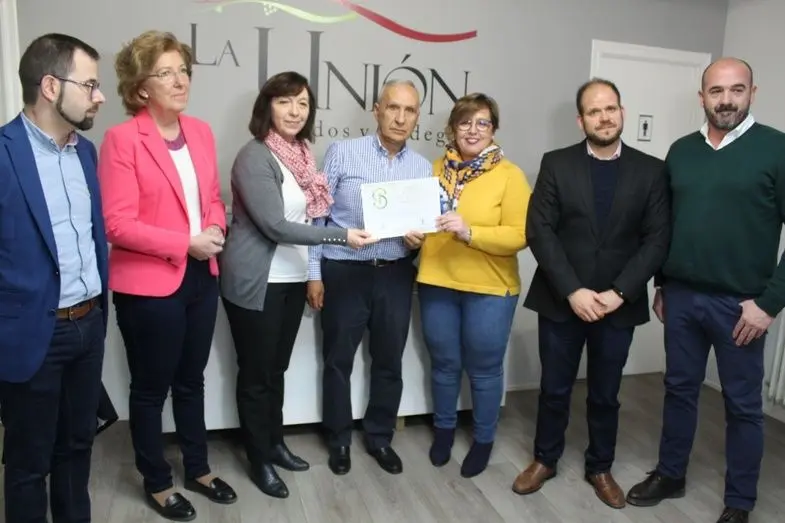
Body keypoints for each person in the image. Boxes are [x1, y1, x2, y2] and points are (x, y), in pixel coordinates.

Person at [626, 58, 785, 523]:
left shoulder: (776, 149)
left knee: (742, 407)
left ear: (753, 93)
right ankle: (670, 474)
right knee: (678, 390)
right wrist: (661, 282)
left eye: (737, 90)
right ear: (702, 97)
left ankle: (740, 500)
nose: (726, 100)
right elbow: (665, 226)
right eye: (716, 91)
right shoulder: (681, 152)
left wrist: (769, 304)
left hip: (743, 307)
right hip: (681, 298)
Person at [97, 30, 237, 521]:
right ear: (141, 88)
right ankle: (156, 481)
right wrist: (185, 242)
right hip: (149, 285)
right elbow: (117, 224)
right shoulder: (121, 140)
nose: (180, 81)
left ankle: (198, 468)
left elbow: (212, 198)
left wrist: (215, 226)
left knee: (191, 381)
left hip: (201, 275)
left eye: (183, 71)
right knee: (150, 388)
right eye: (165, 73)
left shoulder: (200, 132)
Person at [513, 78, 670, 509]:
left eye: (611, 108)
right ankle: (545, 459)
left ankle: (600, 466)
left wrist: (620, 292)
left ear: (622, 112)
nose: (604, 117)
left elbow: (657, 239)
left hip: (618, 305)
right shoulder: (556, 163)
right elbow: (539, 231)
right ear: (581, 120)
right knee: (554, 389)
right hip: (562, 300)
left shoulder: (651, 170)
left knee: (605, 393)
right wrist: (573, 291)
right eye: (595, 111)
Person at [218, 71, 376, 498]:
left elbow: (305, 216)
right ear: (267, 106)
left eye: (302, 103)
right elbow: (275, 225)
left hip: (290, 278)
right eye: (285, 101)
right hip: (258, 281)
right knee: (256, 376)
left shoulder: (303, 155)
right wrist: (341, 236)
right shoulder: (254, 156)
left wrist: (311, 273)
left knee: (276, 370)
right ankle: (258, 460)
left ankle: (274, 444)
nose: (294, 111)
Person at [0, 33, 108, 523]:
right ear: (49, 86)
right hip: (31, 334)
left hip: (88, 325)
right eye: (89, 85)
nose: (99, 96)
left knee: (78, 447)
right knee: (28, 464)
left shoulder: (86, 153)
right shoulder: (4, 153)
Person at [306, 79, 431, 476]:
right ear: (377, 109)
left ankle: (380, 437)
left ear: (417, 117)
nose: (400, 118)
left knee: (389, 360)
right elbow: (318, 216)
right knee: (337, 360)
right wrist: (314, 273)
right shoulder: (343, 153)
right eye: (393, 107)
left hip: (395, 274)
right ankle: (339, 439)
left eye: (409, 110)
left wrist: (417, 242)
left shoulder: (422, 168)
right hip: (344, 271)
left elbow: (422, 230)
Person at [410, 93, 531, 478]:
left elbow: (521, 234)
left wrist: (470, 232)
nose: (473, 130)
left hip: (490, 288)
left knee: (484, 369)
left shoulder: (509, 175)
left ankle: (483, 439)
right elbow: (417, 220)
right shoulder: (433, 169)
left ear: (493, 129)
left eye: (483, 123)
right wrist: (411, 235)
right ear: (452, 128)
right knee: (444, 365)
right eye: (465, 122)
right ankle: (444, 431)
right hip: (437, 281)